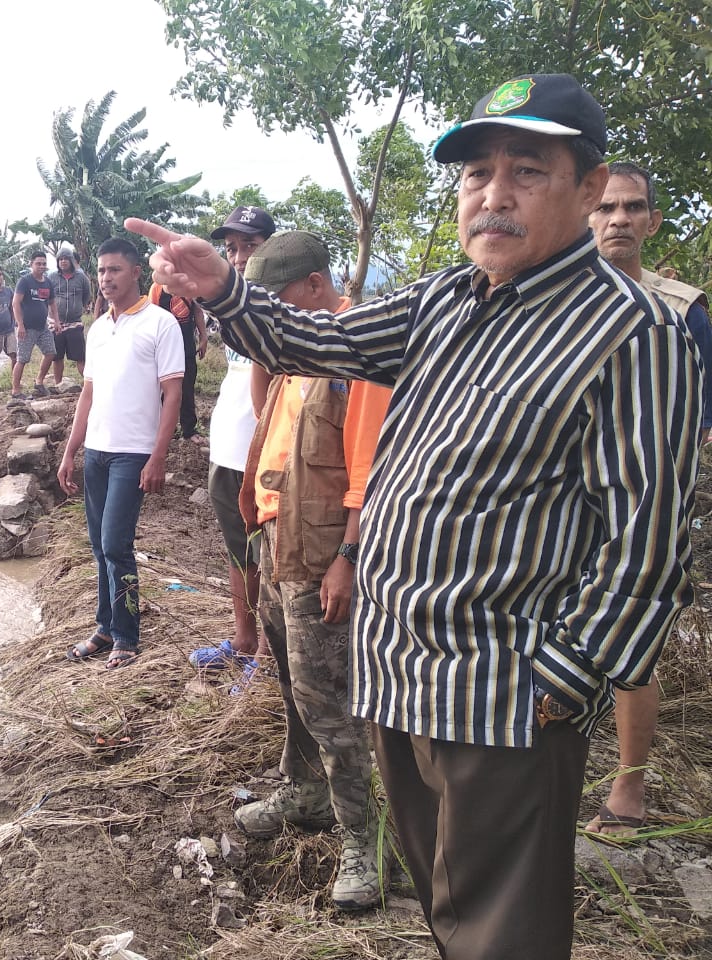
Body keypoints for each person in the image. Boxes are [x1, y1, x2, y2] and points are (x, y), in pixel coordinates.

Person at [129, 73, 703, 960]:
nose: (494, 195)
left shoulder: (633, 334)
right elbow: (318, 341)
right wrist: (224, 290)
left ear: (588, 189)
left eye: (526, 171)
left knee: (503, 935)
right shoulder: (445, 299)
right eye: (477, 173)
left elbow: (649, 545)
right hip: (399, 678)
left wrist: (564, 684)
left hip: (507, 700)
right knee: (446, 908)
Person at [227, 231, 392, 911]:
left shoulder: (358, 353)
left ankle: (364, 838)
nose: (270, 314)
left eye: (279, 299)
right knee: (293, 684)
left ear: (316, 286)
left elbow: (368, 471)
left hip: (323, 552)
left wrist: (348, 558)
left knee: (329, 702)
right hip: (278, 540)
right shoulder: (298, 353)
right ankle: (304, 793)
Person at [587, 161, 712, 835]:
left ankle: (628, 787)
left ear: (653, 222)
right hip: (560, 503)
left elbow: (699, 422)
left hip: (643, 506)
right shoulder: (558, 301)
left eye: (633, 208)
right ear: (585, 213)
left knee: (633, 642)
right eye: (606, 207)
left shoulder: (683, 312)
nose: (619, 219)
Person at [58, 238, 185, 669]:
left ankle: (127, 637)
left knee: (116, 544)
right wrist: (70, 451)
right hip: (97, 451)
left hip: (133, 453)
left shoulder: (160, 324)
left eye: (114, 270)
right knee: (99, 547)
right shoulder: (97, 329)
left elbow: (172, 394)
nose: (105, 278)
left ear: (135, 273)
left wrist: (158, 456)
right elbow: (88, 394)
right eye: (101, 270)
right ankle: (105, 627)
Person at [188, 205, 277, 678]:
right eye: (232, 248)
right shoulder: (229, 305)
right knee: (238, 552)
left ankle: (266, 654)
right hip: (227, 446)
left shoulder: (283, 308)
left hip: (266, 453)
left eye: (250, 246)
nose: (239, 256)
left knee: (271, 558)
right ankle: (243, 639)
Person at [148, 283, 207, 441]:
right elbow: (150, 317)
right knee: (160, 387)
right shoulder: (156, 288)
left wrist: (203, 337)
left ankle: (189, 430)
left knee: (187, 386)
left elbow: (197, 310)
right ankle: (163, 427)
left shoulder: (190, 284)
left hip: (186, 344)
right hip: (164, 346)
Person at [11, 252, 59, 399]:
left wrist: (57, 321)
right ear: (31, 264)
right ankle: (15, 391)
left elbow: (52, 304)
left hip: (42, 327)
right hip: (26, 327)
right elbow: (15, 303)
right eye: (38, 263)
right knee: (22, 359)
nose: (41, 266)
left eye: (44, 264)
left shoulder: (48, 282)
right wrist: (20, 324)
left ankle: (39, 381)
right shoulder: (25, 281)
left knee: (50, 352)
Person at [50, 244, 93, 387]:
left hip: (75, 323)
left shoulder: (81, 277)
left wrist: (78, 307)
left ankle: (88, 386)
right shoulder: (52, 277)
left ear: (71, 261)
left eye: (66, 259)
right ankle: (58, 385)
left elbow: (86, 295)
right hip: (56, 324)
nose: (63, 261)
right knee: (57, 357)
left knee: (80, 356)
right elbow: (47, 297)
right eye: (60, 259)